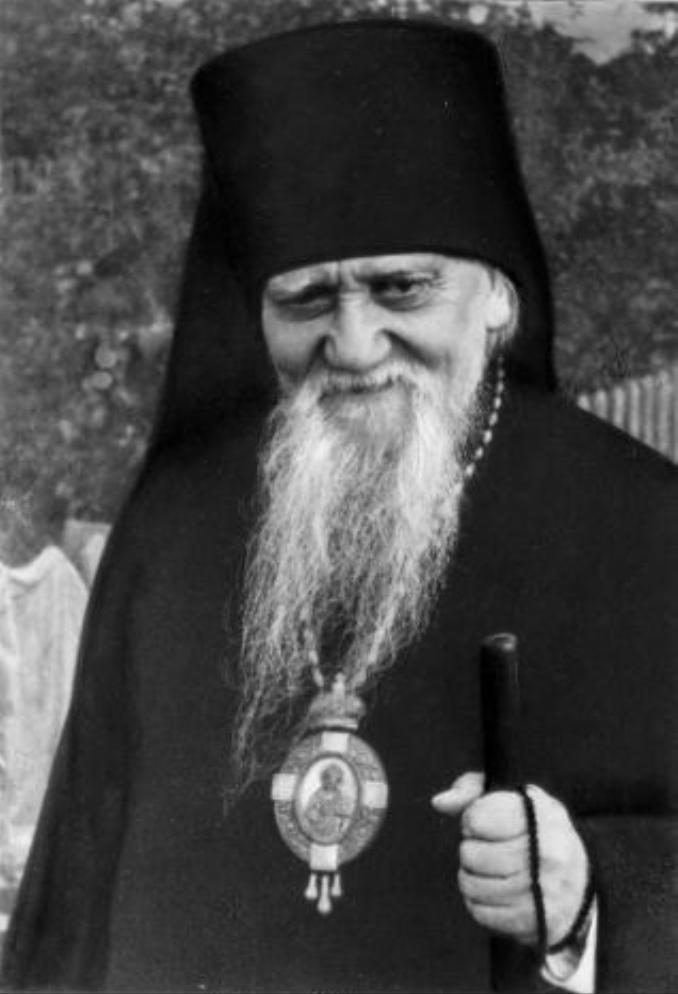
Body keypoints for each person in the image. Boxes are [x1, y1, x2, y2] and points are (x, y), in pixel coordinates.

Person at [2, 19, 676, 994]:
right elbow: (82, 902)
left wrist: (589, 901)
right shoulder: (178, 529)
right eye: (307, 300)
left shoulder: (646, 528)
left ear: (498, 298)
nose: (355, 346)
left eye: (402, 288)